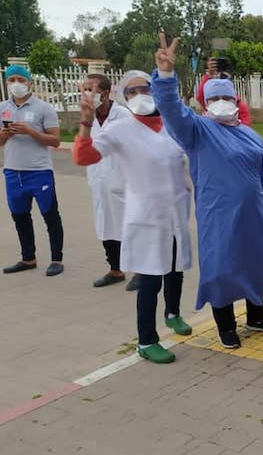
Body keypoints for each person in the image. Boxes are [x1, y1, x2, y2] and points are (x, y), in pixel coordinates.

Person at [153, 34, 263, 349]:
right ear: (206, 103)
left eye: (227, 97)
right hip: (218, 215)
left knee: (257, 262)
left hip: (255, 214)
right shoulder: (198, 131)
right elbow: (172, 110)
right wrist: (167, 76)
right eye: (215, 98)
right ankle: (226, 325)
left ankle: (256, 317)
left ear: (236, 101)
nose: (222, 103)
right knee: (221, 267)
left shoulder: (250, 135)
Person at [73, 69, 193, 364]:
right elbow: (83, 157)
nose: (140, 95)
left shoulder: (172, 124)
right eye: (132, 91)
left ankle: (173, 313)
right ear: (125, 98)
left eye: (145, 89)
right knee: (151, 278)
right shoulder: (121, 128)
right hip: (146, 215)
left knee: (175, 268)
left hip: (175, 211)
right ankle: (146, 340)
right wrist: (86, 123)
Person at [1, 65, 64, 276]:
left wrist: (30, 131)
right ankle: (28, 258)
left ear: (29, 82)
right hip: (13, 171)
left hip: (39, 171)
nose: (16, 84)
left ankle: (57, 259)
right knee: (20, 216)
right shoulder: (2, 108)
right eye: (11, 80)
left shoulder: (43, 108)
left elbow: (55, 140)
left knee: (50, 215)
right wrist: (5, 134)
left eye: (20, 79)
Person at [79, 73, 132, 288]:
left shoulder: (123, 115)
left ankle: (142, 271)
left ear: (106, 93)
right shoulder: (87, 117)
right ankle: (115, 270)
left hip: (123, 180)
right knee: (106, 226)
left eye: (92, 89)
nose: (87, 93)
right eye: (85, 89)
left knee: (130, 228)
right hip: (98, 179)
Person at [195, 57, 252, 126]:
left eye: (226, 98)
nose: (221, 101)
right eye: (215, 98)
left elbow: (245, 127)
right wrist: (209, 76)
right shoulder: (211, 106)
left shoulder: (240, 107)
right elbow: (201, 97)